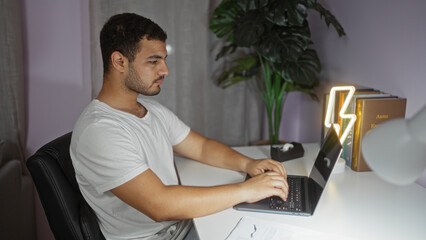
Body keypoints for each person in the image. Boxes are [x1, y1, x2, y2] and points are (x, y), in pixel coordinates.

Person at [70, 13, 288, 240]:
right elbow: (160, 205)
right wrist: (247, 191)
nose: (165, 71)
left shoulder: (150, 111)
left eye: (164, 60)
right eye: (153, 61)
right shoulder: (99, 131)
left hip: (184, 226)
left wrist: (249, 164)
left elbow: (201, 147)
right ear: (119, 62)